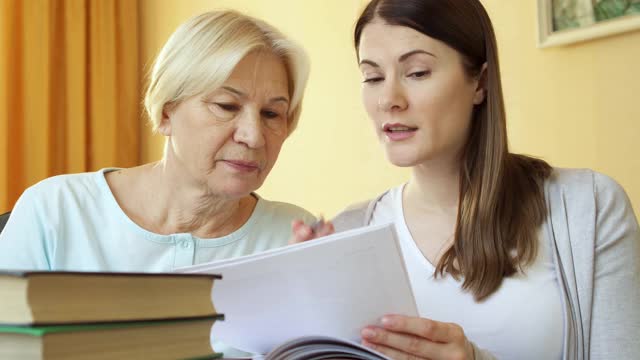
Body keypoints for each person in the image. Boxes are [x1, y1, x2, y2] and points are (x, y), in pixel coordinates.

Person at [293, 0, 640, 359]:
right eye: (373, 77)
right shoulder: (348, 233)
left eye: (417, 73)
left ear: (481, 82)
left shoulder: (589, 207)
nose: (388, 100)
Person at [0, 10, 316, 273]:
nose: (254, 135)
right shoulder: (56, 211)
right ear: (166, 113)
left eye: (272, 114)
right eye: (226, 106)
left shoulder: (295, 235)